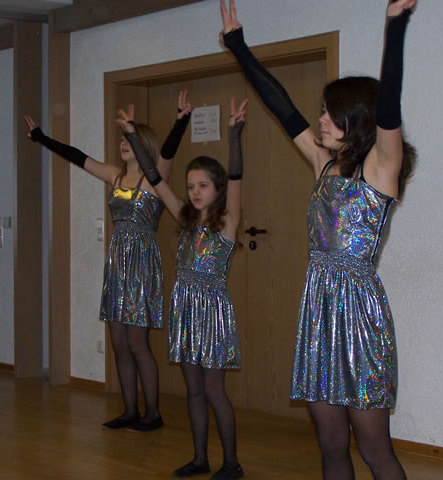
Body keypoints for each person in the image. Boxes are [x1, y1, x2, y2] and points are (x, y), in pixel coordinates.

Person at [219, 0, 417, 478]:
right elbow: (280, 104)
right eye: (322, 112)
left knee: (374, 450)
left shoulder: (381, 169)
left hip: (360, 316)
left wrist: (395, 27)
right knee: (330, 445)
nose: (321, 121)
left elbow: (389, 106)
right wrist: (239, 47)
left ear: (357, 119)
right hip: (318, 312)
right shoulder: (323, 163)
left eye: (330, 113)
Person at [24, 90, 193, 432]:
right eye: (122, 139)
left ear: (141, 142)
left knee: (136, 342)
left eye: (129, 139)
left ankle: (153, 413)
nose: (122, 143)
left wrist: (181, 121)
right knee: (118, 343)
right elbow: (78, 157)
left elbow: (169, 151)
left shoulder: (154, 178)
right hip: (117, 263)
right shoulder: (115, 176)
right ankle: (130, 410)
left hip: (142, 264)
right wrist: (42, 138)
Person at [117, 97, 248, 480]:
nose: (194, 191)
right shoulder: (184, 218)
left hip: (212, 312)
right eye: (190, 186)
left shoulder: (228, 221)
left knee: (214, 390)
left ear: (216, 188)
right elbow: (154, 178)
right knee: (193, 389)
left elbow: (236, 176)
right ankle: (199, 458)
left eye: (202, 185)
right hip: (185, 310)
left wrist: (234, 135)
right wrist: (132, 136)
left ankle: (232, 463)